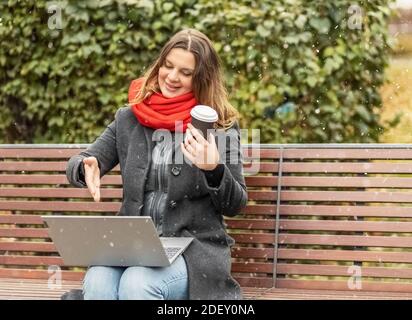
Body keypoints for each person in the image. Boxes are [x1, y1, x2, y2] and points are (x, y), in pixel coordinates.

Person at [66, 28, 248, 300]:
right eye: (168, 66)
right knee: (98, 281)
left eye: (186, 73)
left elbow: (236, 205)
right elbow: (85, 160)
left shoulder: (219, 128)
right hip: (133, 247)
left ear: (202, 79)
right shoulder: (129, 119)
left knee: (138, 283)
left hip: (191, 252)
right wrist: (83, 166)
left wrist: (214, 169)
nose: (172, 77)